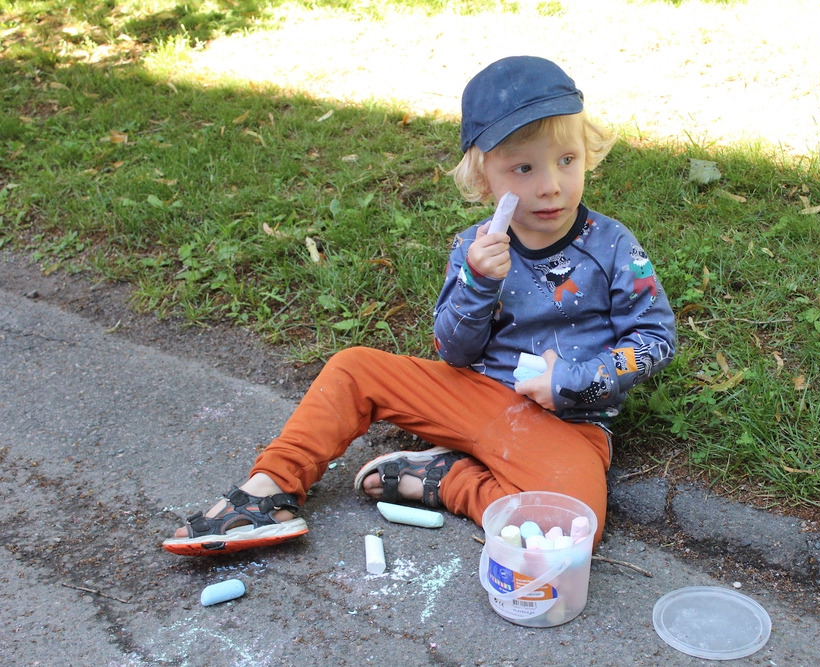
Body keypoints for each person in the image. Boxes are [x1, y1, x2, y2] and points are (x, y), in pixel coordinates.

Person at [164, 55, 677, 557]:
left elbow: (655, 339)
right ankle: (269, 490)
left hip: (566, 424)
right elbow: (454, 351)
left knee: (573, 524)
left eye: (567, 160)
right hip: (473, 396)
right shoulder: (474, 247)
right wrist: (478, 282)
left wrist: (576, 379)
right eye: (523, 167)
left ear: (587, 153)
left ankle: (448, 478)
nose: (551, 185)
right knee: (354, 368)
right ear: (485, 179)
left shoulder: (611, 245)